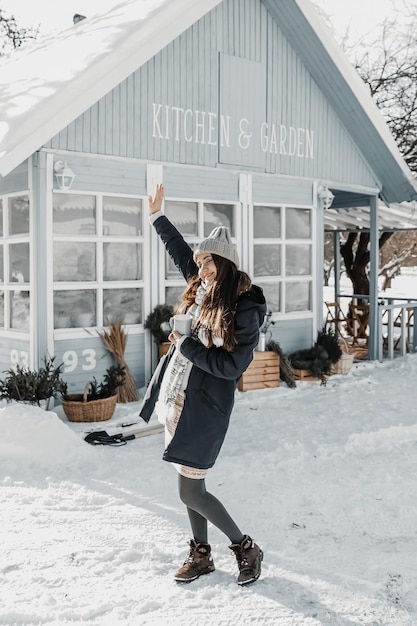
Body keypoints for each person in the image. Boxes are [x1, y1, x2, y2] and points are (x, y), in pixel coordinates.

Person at [140, 184, 267, 586]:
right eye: (201, 263)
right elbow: (179, 251)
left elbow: (231, 367)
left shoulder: (243, 307)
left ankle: (245, 547)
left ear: (226, 265)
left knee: (190, 492)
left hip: (206, 406)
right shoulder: (204, 289)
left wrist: (189, 346)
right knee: (191, 480)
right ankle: (201, 555)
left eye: (209, 263)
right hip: (179, 398)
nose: (202, 269)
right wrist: (157, 217)